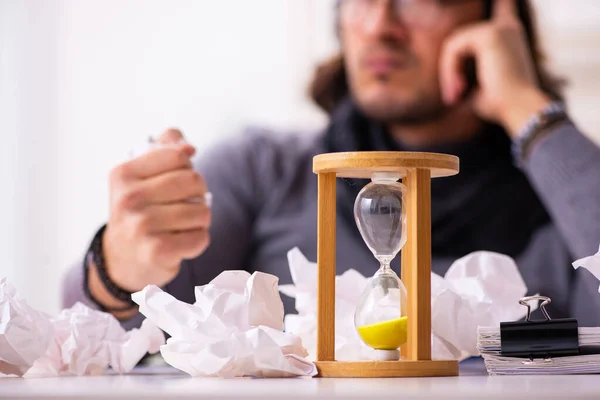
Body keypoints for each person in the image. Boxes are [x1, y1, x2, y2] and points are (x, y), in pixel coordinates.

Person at [63, 0, 600, 330]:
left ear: (494, 17)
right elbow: (94, 330)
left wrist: (527, 109)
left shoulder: (562, 194)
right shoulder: (263, 170)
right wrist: (120, 264)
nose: (379, 24)